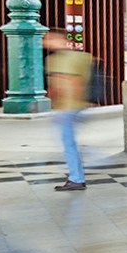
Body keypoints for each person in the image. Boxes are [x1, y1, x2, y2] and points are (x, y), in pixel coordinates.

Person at [43, 30, 92, 191]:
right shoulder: (81, 56)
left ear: (61, 39)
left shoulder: (59, 59)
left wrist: (66, 102)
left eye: (50, 38)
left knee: (68, 143)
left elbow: (73, 82)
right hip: (72, 106)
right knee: (68, 141)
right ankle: (76, 175)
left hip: (68, 107)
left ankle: (76, 178)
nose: (46, 41)